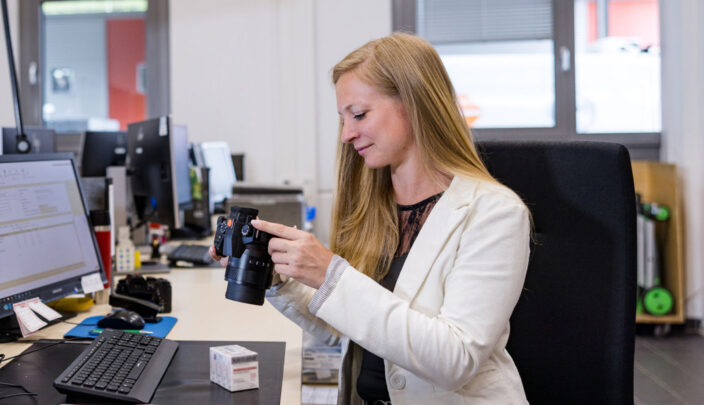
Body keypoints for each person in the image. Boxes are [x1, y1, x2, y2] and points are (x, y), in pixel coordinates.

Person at [211, 33, 531, 404]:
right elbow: (349, 332)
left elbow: (455, 359)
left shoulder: (494, 213)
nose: (347, 134)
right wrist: (279, 279)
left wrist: (330, 274)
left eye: (359, 114)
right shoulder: (373, 207)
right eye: (342, 119)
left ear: (414, 103)